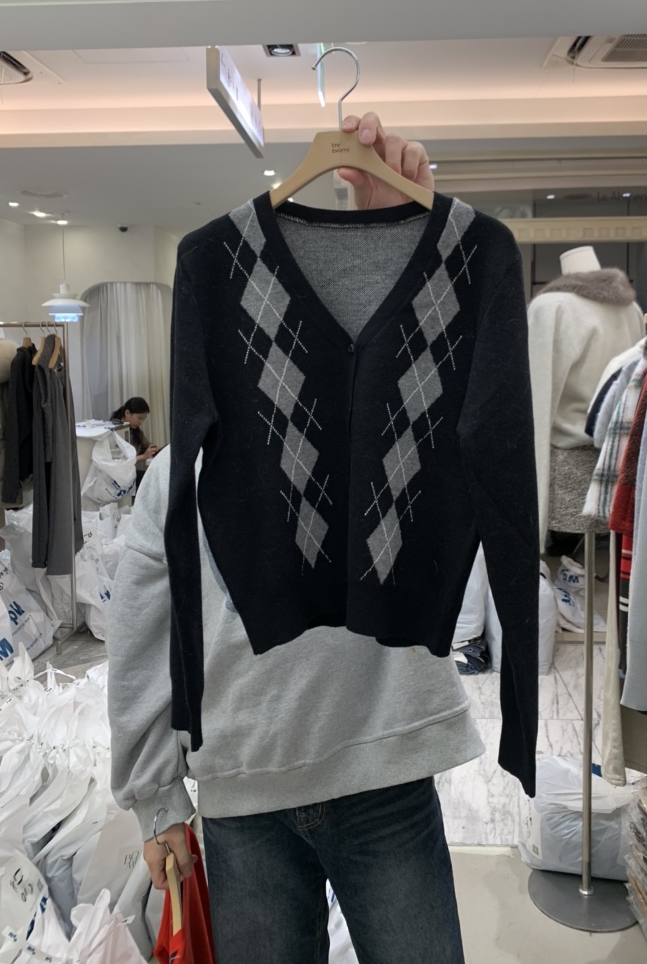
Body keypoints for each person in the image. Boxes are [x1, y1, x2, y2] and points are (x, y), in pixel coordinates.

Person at [108, 115, 476, 963]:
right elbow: (140, 635)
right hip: (246, 787)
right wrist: (154, 796)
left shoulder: (396, 422)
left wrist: (413, 251)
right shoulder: (181, 472)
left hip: (373, 769)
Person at [110, 396, 159, 486]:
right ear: (127, 413)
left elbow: (147, 445)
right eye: (139, 418)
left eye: (143, 419)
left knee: (154, 477)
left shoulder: (135, 431)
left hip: (130, 473)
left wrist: (154, 449)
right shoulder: (114, 431)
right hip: (117, 478)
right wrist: (143, 456)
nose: (141, 422)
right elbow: (121, 463)